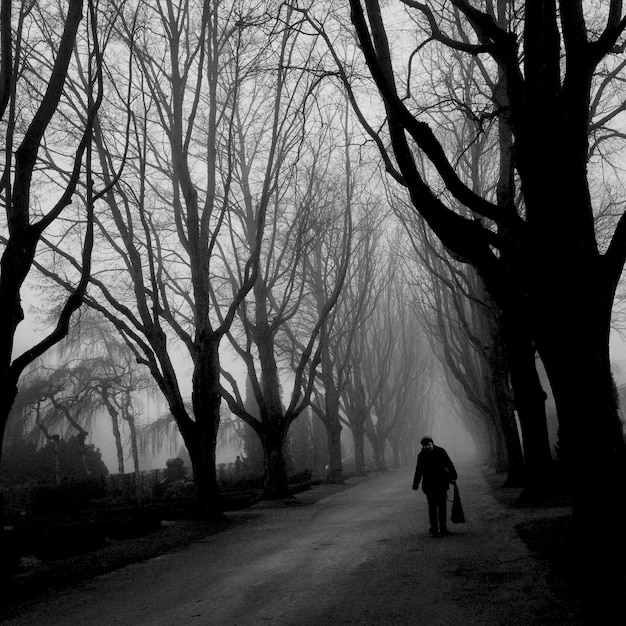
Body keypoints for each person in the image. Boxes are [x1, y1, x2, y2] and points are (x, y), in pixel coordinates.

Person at [412, 436, 457, 537]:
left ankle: (443, 528)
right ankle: (434, 529)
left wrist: (453, 476)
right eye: (424, 445)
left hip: (441, 484)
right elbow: (418, 470)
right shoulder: (421, 455)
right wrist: (416, 484)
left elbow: (449, 463)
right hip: (429, 485)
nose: (427, 447)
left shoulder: (441, 451)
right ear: (422, 446)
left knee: (442, 507)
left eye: (428, 444)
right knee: (432, 508)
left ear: (432, 443)